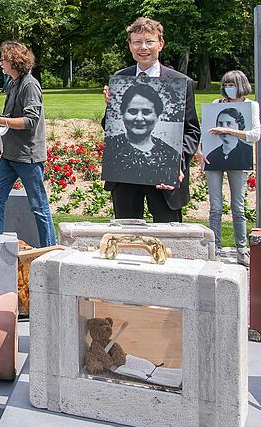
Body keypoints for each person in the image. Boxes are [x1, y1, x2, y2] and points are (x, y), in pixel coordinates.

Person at [102, 17, 200, 223]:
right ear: (130, 46)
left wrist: (177, 164)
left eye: (149, 41)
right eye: (137, 42)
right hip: (125, 175)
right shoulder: (121, 78)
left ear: (160, 44)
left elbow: (191, 131)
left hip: (164, 177)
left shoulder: (181, 82)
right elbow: (108, 127)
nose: (143, 47)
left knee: (168, 240)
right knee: (126, 240)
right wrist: (111, 109)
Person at [0, 41, 55, 247]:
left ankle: (50, 250)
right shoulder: (12, 83)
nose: (0, 63)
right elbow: (11, 116)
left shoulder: (30, 85)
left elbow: (30, 121)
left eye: (3, 59)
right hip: (10, 155)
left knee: (39, 206)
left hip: (27, 157)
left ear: (14, 61)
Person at [196, 70, 260, 265]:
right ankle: (215, 248)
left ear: (241, 85)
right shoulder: (217, 105)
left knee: (238, 207)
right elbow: (204, 130)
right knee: (215, 207)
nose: (227, 89)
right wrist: (199, 151)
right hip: (214, 159)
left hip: (239, 160)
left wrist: (229, 131)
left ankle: (242, 249)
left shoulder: (250, 106)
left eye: (231, 85)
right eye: (225, 85)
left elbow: (255, 134)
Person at [103, 84, 180, 185]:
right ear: (122, 114)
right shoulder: (111, 146)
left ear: (158, 116)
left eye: (146, 112)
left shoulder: (170, 155)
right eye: (133, 111)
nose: (139, 118)